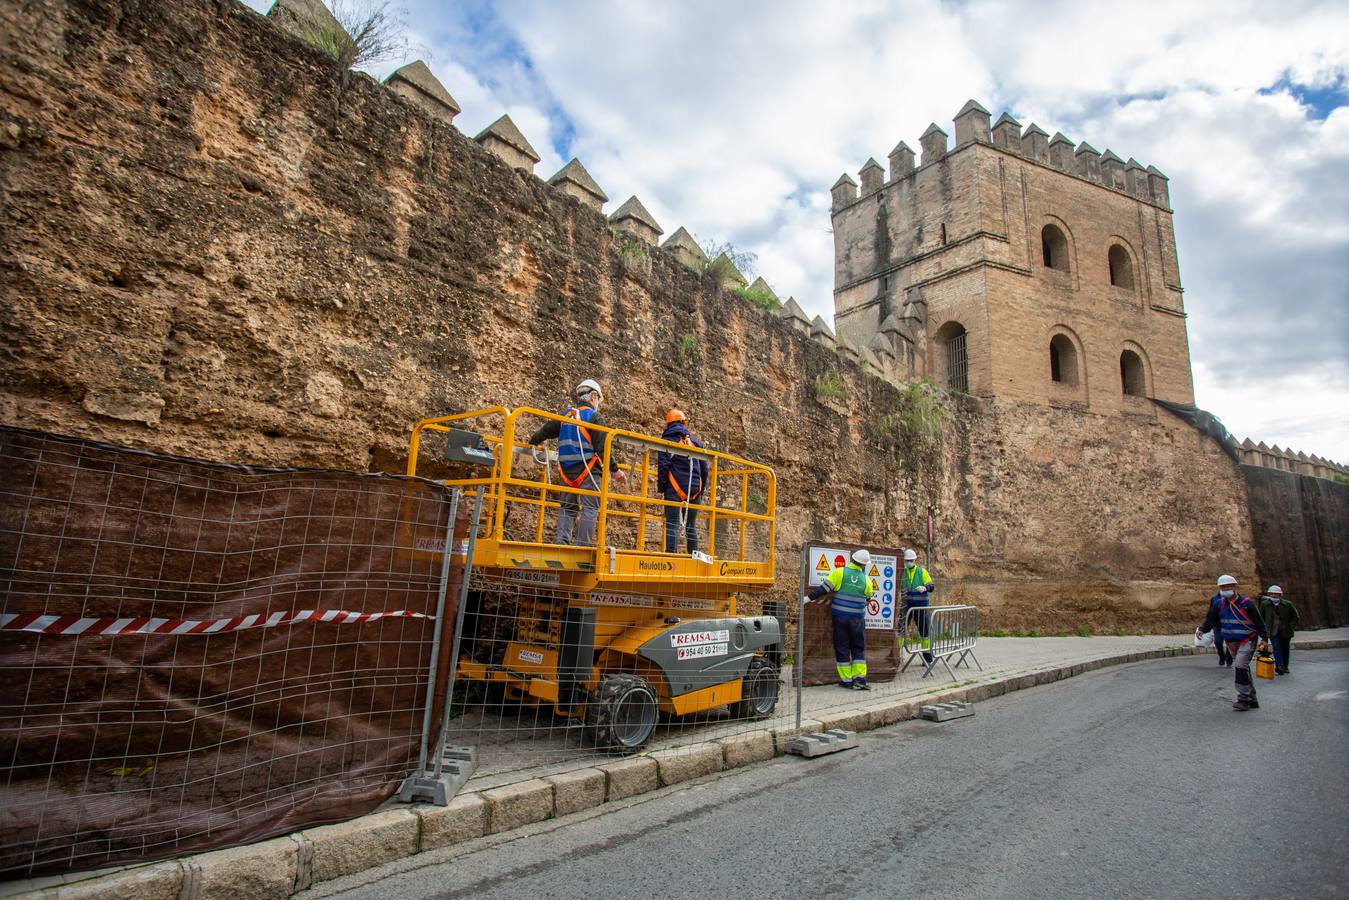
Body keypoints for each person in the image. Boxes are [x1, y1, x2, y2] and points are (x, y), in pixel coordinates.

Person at [525, 378, 627, 546]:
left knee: (567, 507)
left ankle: (561, 543)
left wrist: (531, 443)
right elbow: (603, 448)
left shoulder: (566, 416)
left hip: (566, 473)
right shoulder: (594, 417)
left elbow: (545, 431)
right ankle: (582, 547)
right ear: (593, 396)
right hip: (588, 472)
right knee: (590, 508)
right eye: (598, 399)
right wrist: (615, 471)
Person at [806, 548, 878, 690]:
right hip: (857, 619)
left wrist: (808, 598)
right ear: (864, 565)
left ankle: (846, 680)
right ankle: (859, 679)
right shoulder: (867, 580)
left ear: (852, 560)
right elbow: (868, 599)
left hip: (840, 618)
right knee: (858, 647)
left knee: (842, 647)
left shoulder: (839, 572)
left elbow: (823, 589)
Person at [1198, 574, 1271, 711]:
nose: (1225, 589)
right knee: (1243, 668)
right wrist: (1202, 629)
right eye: (1222, 587)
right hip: (1231, 642)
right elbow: (1211, 619)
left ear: (1234, 587)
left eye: (1227, 586)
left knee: (1240, 665)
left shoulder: (1247, 604)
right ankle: (1252, 698)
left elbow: (1259, 622)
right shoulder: (1218, 604)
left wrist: (1265, 639)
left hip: (1247, 639)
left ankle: (1243, 699)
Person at [656, 409, 708, 554]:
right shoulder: (695, 442)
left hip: (674, 488)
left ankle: (670, 556)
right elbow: (705, 469)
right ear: (684, 423)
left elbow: (663, 467)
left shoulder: (666, 441)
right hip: (695, 490)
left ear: (668, 425)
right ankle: (694, 557)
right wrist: (700, 491)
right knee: (691, 525)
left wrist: (661, 489)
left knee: (672, 523)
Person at [901, 549, 936, 666]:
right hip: (906, 607)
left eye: (910, 560)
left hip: (921, 608)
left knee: (924, 633)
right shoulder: (902, 572)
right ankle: (897, 656)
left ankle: (927, 659)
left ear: (914, 560)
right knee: (900, 631)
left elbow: (931, 586)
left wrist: (925, 588)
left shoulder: (922, 572)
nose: (908, 562)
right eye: (907, 560)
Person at [1258, 585, 1299, 675]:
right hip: (1273, 630)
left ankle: (1285, 666)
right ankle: (1279, 666)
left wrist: (1291, 626)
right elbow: (1261, 618)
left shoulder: (1288, 604)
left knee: (1285, 648)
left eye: (1275, 594)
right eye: (1271, 594)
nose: (1273, 596)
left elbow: (1295, 617)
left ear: (1280, 595)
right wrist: (1263, 630)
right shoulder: (1265, 604)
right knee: (1276, 647)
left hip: (1286, 631)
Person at [1206, 589, 1233, 667]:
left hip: (1229, 624)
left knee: (1230, 642)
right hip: (1217, 624)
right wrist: (1204, 627)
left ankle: (1229, 659)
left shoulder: (1232, 598)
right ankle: (1222, 656)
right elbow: (1210, 612)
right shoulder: (1214, 599)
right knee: (1217, 641)